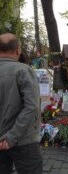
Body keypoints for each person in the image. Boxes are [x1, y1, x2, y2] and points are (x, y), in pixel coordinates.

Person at [0, 33, 43, 173]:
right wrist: (11, 137)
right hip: (23, 141)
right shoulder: (23, 71)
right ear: (18, 50)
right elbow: (32, 107)